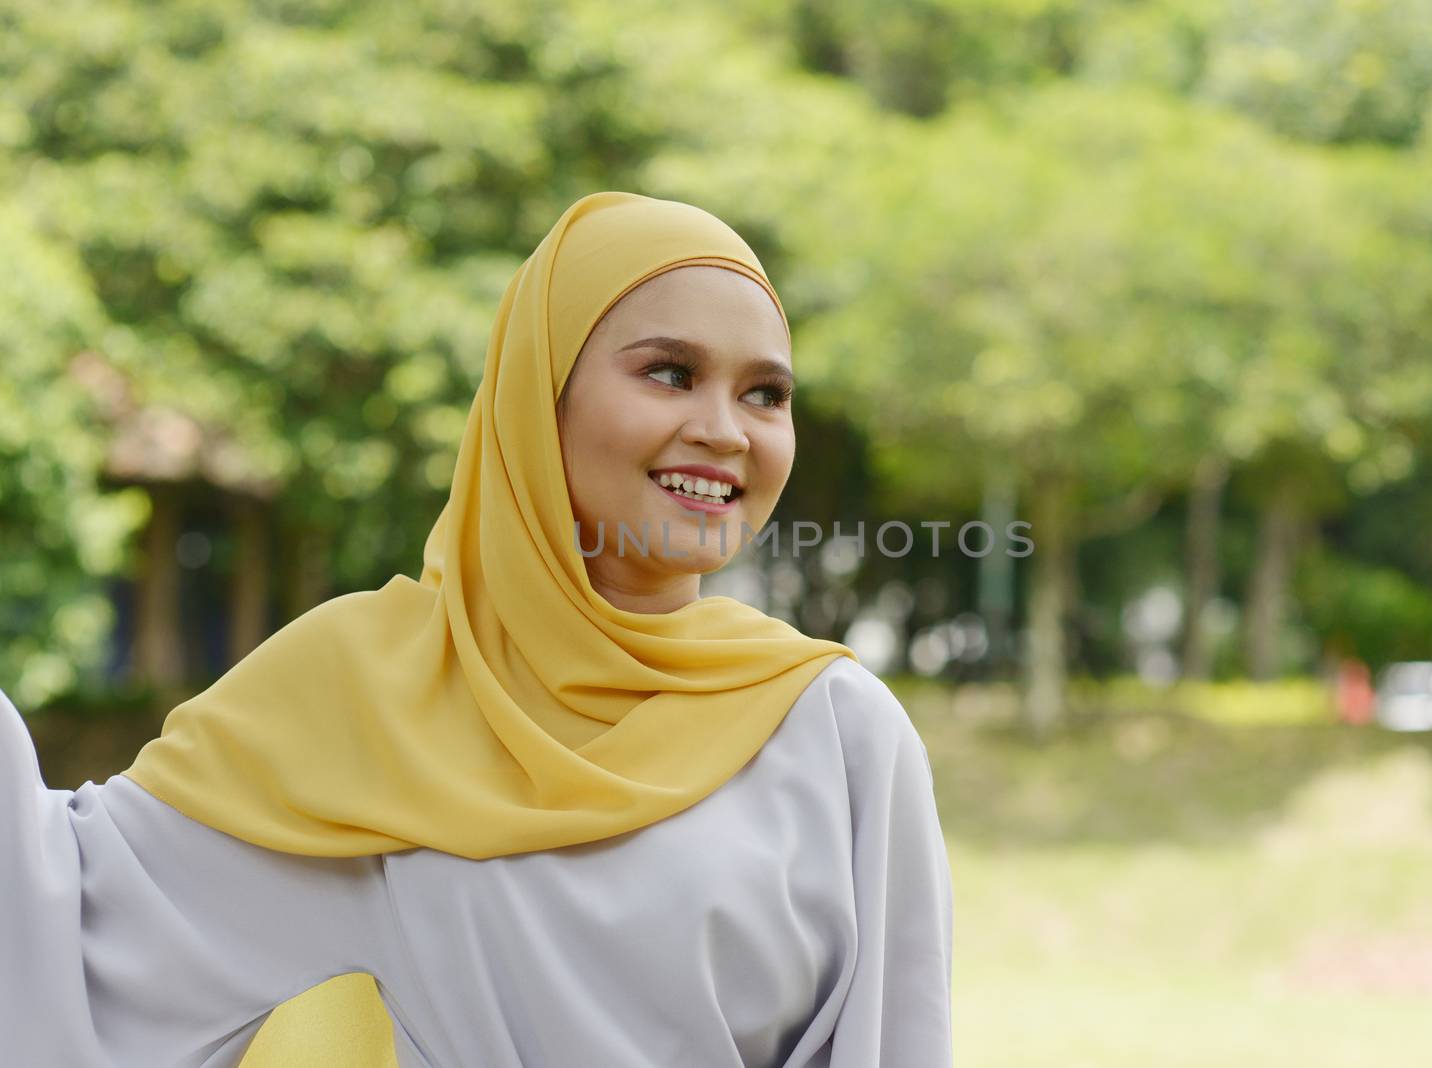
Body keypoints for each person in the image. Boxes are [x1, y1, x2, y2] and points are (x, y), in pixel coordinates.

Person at [0, 191, 955, 1067]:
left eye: (766, 394)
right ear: (540, 397)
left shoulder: (833, 730)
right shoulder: (365, 688)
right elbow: (60, 917)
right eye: (670, 373)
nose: (726, 429)